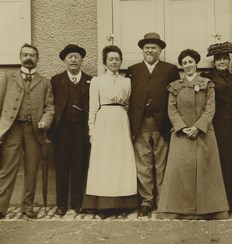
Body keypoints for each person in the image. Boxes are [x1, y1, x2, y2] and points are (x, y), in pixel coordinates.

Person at [157, 49, 229, 220]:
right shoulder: (175, 86)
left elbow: (210, 108)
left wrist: (198, 127)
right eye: (184, 63)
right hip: (181, 135)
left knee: (206, 172)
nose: (188, 65)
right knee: (179, 172)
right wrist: (182, 127)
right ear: (181, 66)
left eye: (190, 62)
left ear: (196, 63)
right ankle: (177, 211)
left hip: (203, 134)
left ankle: (209, 210)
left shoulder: (207, 84)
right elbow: (171, 109)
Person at [126, 32, 180, 217]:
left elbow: (176, 96)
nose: (150, 50)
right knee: (143, 163)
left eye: (154, 47)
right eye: (147, 47)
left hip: (162, 123)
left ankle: (163, 200)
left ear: (160, 50)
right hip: (140, 123)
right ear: (142, 50)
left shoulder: (170, 69)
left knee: (162, 162)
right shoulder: (133, 70)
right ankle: (146, 201)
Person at [0, 43, 54, 219]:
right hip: (12, 129)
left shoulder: (45, 82)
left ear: (37, 59)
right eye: (25, 55)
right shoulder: (8, 78)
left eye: (32, 55)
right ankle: (1, 207)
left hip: (34, 131)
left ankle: (27, 207)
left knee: (32, 169)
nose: (28, 58)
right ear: (20, 57)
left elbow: (49, 107)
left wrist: (45, 121)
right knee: (8, 168)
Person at [83, 45, 137, 217]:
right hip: (103, 121)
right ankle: (104, 204)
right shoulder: (97, 82)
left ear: (121, 61)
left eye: (117, 59)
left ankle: (123, 203)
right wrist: (92, 130)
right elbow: (93, 108)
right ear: (105, 62)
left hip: (121, 119)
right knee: (104, 161)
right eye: (111, 59)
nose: (114, 62)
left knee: (121, 160)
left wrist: (121, 117)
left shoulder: (126, 82)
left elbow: (127, 105)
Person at [49, 44, 92, 216]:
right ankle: (61, 204)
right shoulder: (56, 80)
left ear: (82, 60)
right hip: (62, 130)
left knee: (79, 165)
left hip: (81, 129)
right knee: (61, 166)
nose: (73, 60)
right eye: (70, 57)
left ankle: (77, 202)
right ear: (64, 60)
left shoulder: (90, 80)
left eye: (76, 56)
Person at [201, 42, 232, 212]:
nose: (222, 62)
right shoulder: (208, 78)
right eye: (218, 59)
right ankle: (219, 202)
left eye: (225, 58)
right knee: (221, 161)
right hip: (217, 125)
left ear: (229, 60)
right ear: (214, 62)